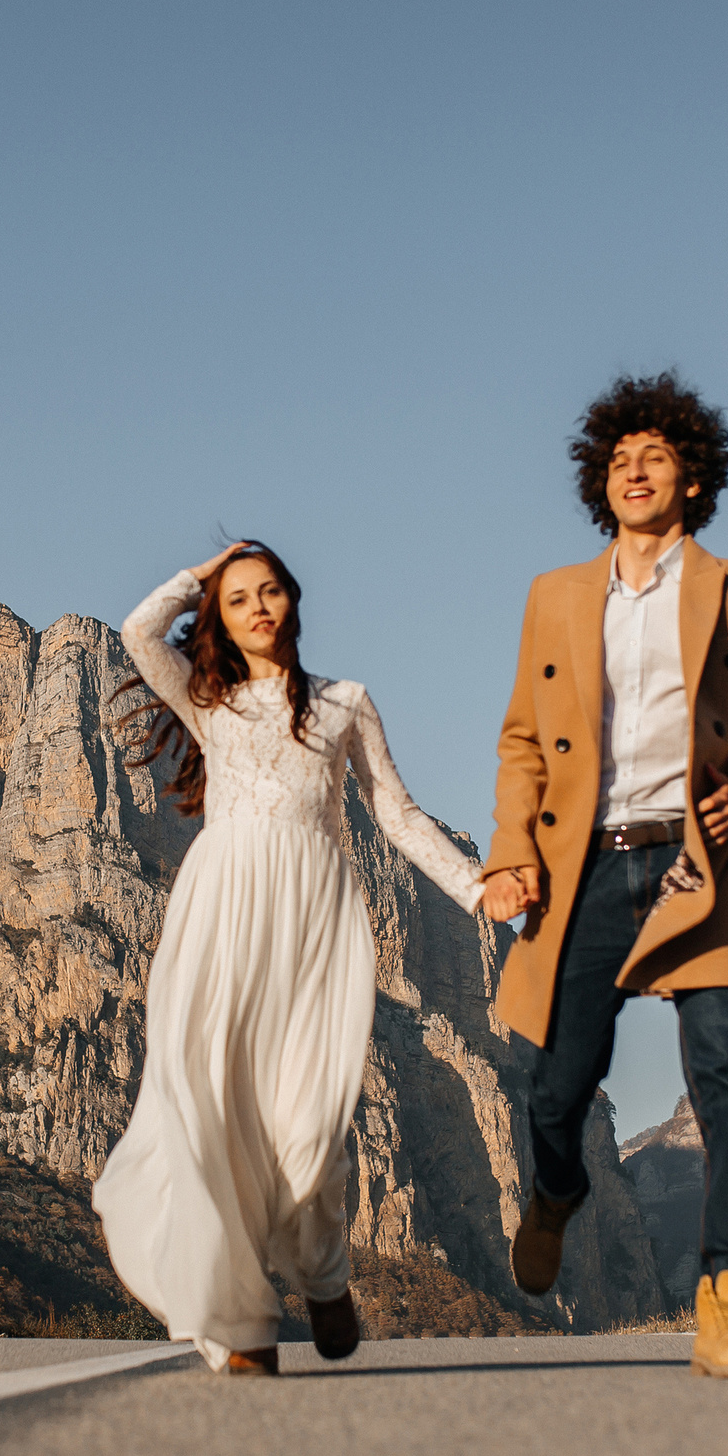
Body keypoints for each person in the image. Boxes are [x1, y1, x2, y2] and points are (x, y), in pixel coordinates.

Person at [479, 371, 728, 1378]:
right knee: (557, 1089)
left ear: (692, 479)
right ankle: (554, 1193)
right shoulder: (554, 597)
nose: (635, 469)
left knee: (725, 1080)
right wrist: (511, 855)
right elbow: (519, 743)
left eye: (656, 456)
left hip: (695, 864)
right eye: (619, 458)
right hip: (584, 865)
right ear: (602, 480)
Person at [93, 540, 486, 1374]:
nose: (258, 606)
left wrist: (481, 890)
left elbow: (401, 816)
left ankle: (323, 1271)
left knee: (311, 1123)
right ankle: (242, 1325)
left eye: (269, 590)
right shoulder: (211, 701)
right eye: (238, 598)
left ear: (294, 600)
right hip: (222, 916)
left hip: (312, 920)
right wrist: (202, 571)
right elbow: (136, 631)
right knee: (216, 1110)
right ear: (219, 619)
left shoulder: (346, 703)